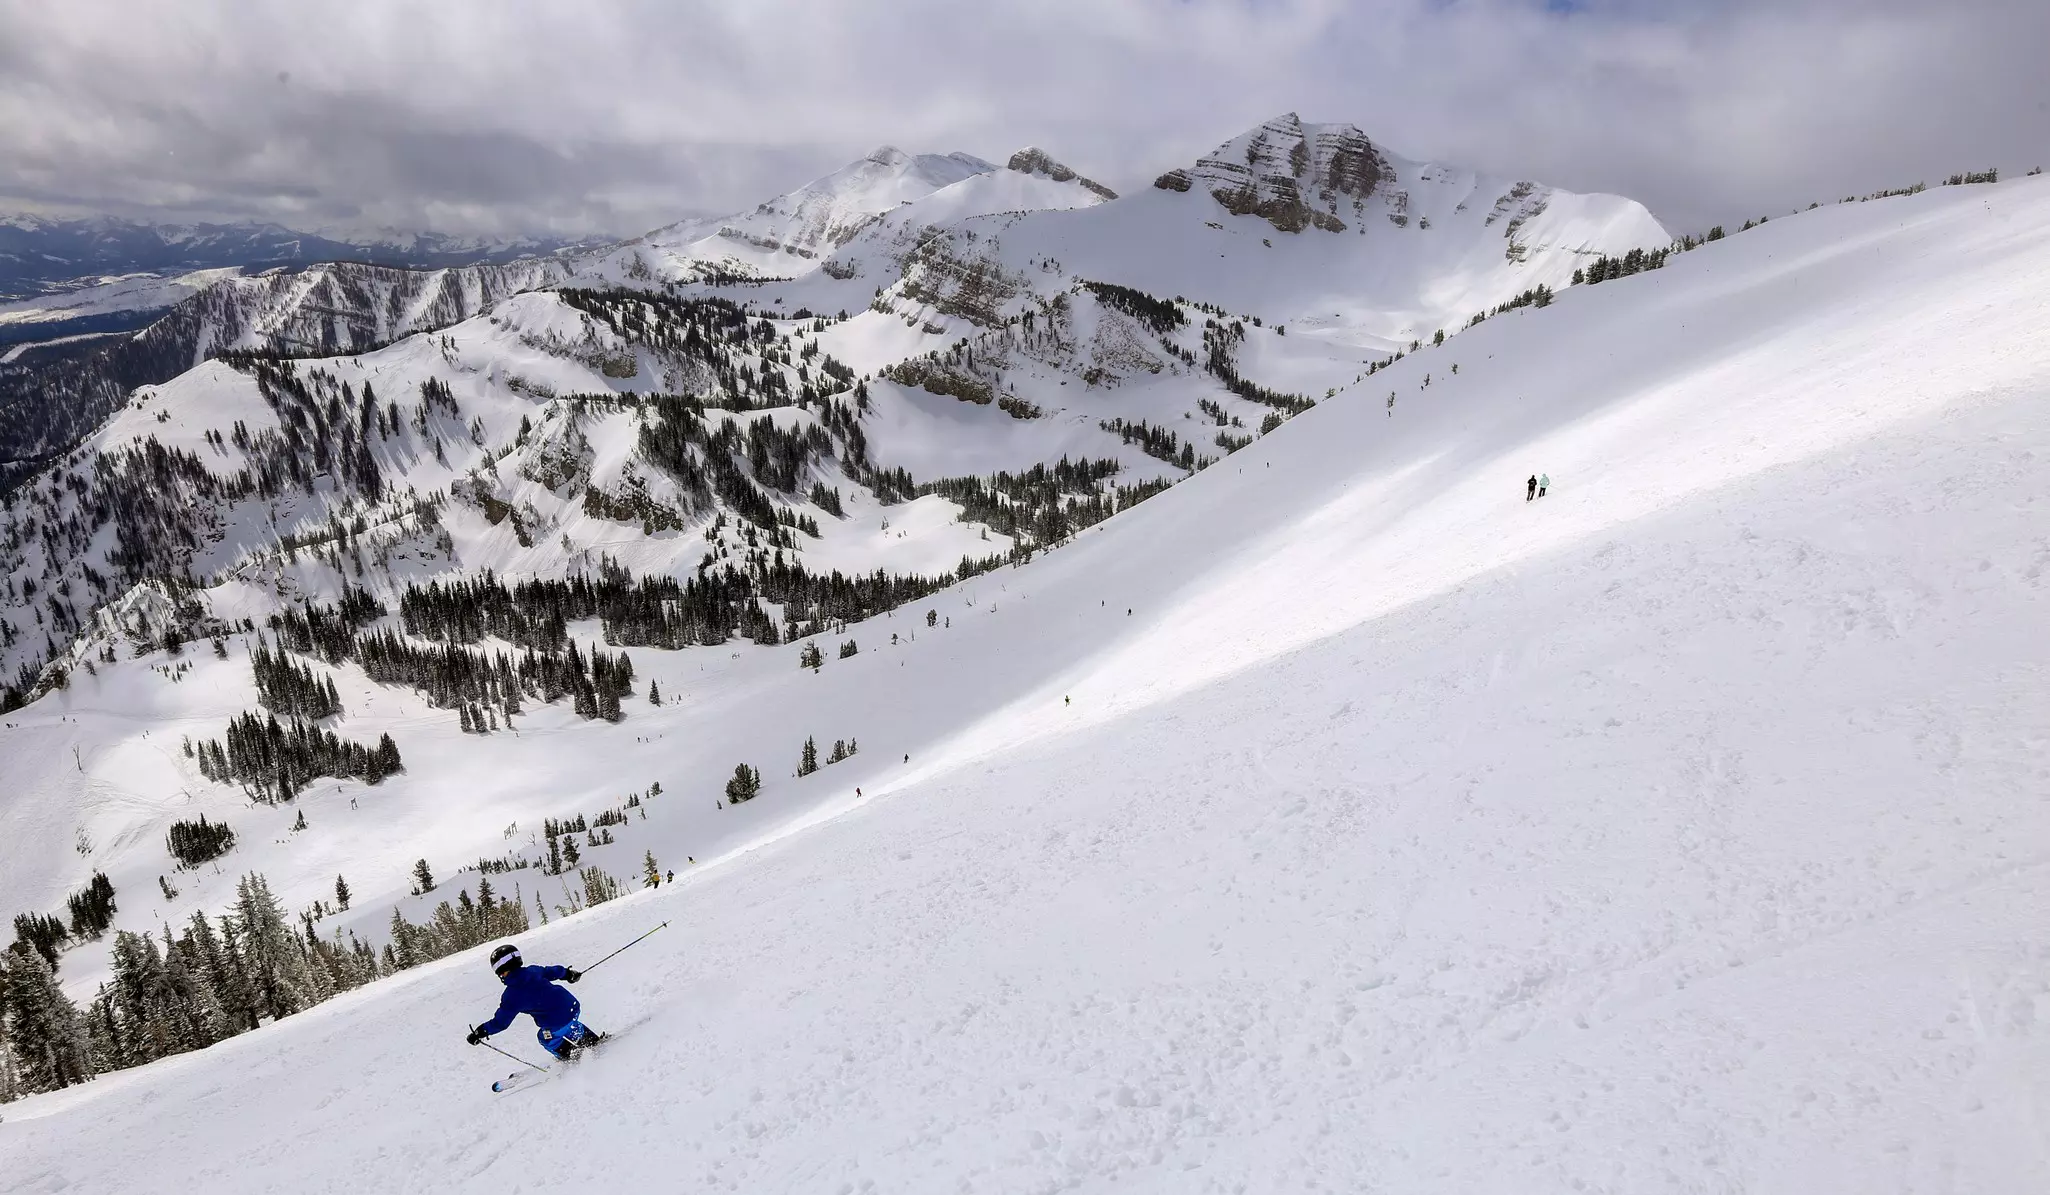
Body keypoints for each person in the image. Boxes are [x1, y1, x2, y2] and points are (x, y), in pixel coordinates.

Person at [466, 943, 606, 1059]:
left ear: (504, 970)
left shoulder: (511, 995)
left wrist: (481, 1032)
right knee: (569, 1024)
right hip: (572, 1006)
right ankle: (591, 1041)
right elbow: (552, 971)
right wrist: (568, 974)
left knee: (545, 1037)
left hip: (555, 1021)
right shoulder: (533, 970)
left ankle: (571, 1057)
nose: (501, 976)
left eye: (500, 972)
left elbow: (501, 1023)